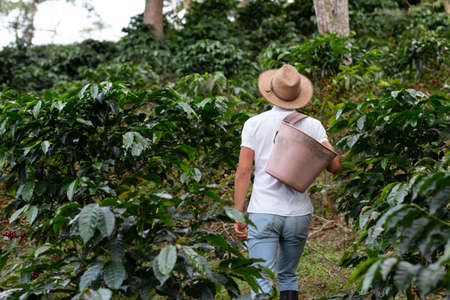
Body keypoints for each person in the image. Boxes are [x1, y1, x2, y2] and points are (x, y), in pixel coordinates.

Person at [233, 64, 341, 300]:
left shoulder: (254, 124)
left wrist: (238, 213)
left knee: (260, 280)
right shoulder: (312, 125)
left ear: (271, 91)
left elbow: (244, 170)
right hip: (298, 214)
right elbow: (335, 166)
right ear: (297, 95)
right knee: (289, 276)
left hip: (263, 211)